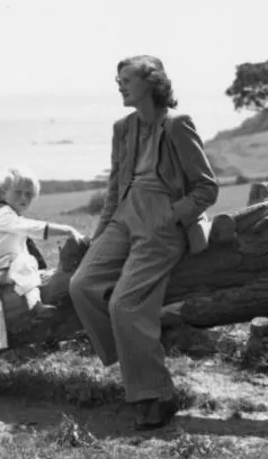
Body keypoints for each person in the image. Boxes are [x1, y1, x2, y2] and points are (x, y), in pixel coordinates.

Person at [68, 56, 219, 430]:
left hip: (162, 225)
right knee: (81, 284)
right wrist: (101, 233)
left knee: (124, 304)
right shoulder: (122, 128)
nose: (120, 86)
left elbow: (207, 188)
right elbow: (115, 187)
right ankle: (136, 356)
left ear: (151, 84)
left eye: (126, 80)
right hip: (123, 217)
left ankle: (158, 395)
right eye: (117, 80)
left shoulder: (178, 125)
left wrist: (172, 214)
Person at [0, 167, 84, 387]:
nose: (24, 198)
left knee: (27, 262)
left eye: (29, 194)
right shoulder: (1, 213)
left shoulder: (13, 215)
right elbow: (29, 227)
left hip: (5, 270)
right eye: (18, 192)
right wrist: (66, 229)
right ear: (3, 193)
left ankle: (35, 304)